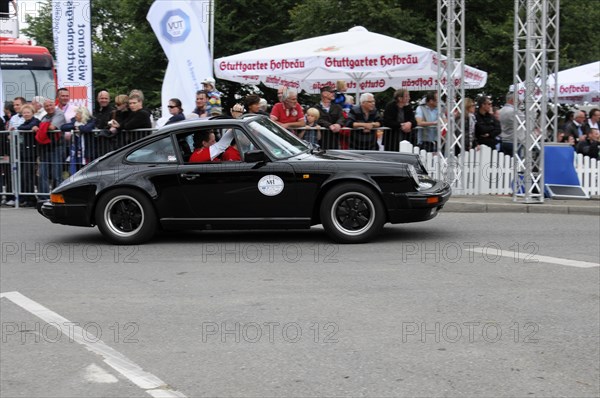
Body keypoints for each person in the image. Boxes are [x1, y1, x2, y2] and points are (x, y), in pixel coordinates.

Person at [32, 98, 66, 198]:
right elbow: (40, 125)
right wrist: (39, 126)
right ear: (44, 107)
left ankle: (58, 197)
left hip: (57, 147)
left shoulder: (59, 114)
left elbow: (52, 127)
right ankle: (44, 197)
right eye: (46, 106)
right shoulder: (45, 116)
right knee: (43, 174)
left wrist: (42, 127)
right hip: (45, 148)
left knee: (57, 175)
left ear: (54, 105)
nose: (49, 107)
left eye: (51, 105)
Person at [16, 104, 40, 206]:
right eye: (24, 112)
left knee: (28, 175)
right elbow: (22, 127)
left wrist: (21, 128)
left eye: (28, 112)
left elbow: (24, 127)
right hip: (23, 153)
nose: (26, 114)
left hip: (31, 153)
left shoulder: (35, 121)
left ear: (32, 113)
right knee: (24, 176)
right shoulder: (25, 122)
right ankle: (27, 197)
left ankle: (31, 198)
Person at [61, 106, 95, 174]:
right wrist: (74, 127)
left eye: (77, 113)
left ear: (83, 114)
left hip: (87, 151)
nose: (75, 115)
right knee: (77, 171)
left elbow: (86, 129)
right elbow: (63, 127)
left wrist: (79, 127)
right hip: (76, 151)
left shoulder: (91, 121)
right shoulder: (74, 121)